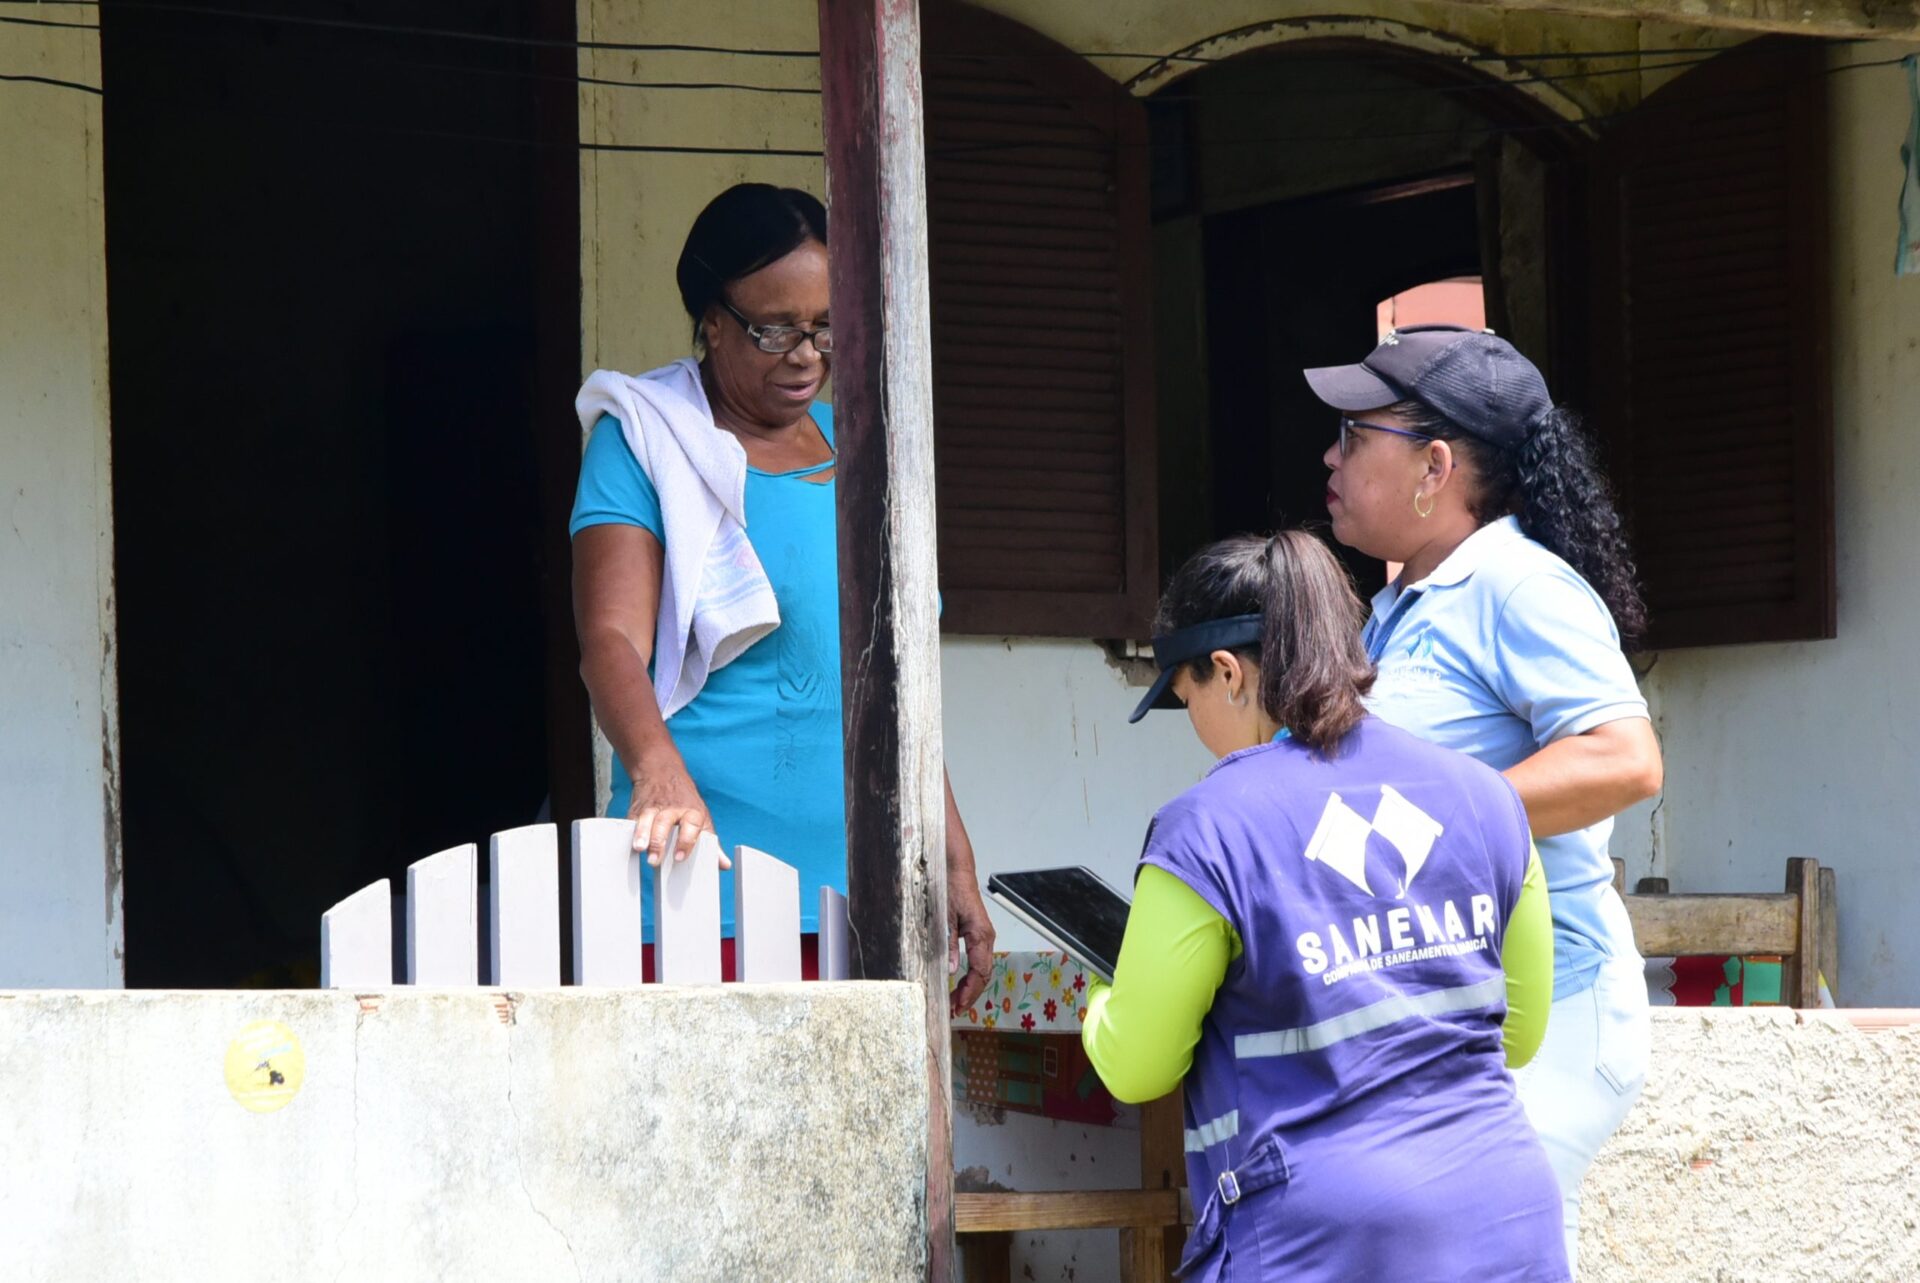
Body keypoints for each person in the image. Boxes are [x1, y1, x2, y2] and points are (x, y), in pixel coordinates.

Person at [1082, 531, 1564, 1283]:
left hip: (1324, 1241)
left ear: (1227, 672)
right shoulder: (1487, 798)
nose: (1197, 727)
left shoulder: (1207, 828)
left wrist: (1104, 1001)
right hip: (1506, 1219)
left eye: (1186, 701)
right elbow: (1521, 1032)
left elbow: (1138, 1064)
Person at [569, 182, 993, 1003]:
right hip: (702, 893)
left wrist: (954, 857)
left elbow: (898, 690)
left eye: (825, 327)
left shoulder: (866, 453)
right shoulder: (647, 441)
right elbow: (610, 641)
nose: (806, 354)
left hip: (863, 898)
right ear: (712, 319)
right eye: (774, 330)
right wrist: (657, 770)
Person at [1308, 323, 1663, 1274]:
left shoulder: (1516, 585)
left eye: (1353, 435)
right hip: (1459, 1014)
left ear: (1433, 465)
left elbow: (1626, 758)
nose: (1328, 456)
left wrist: (1440, 812)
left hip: (1554, 1013)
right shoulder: (1400, 604)